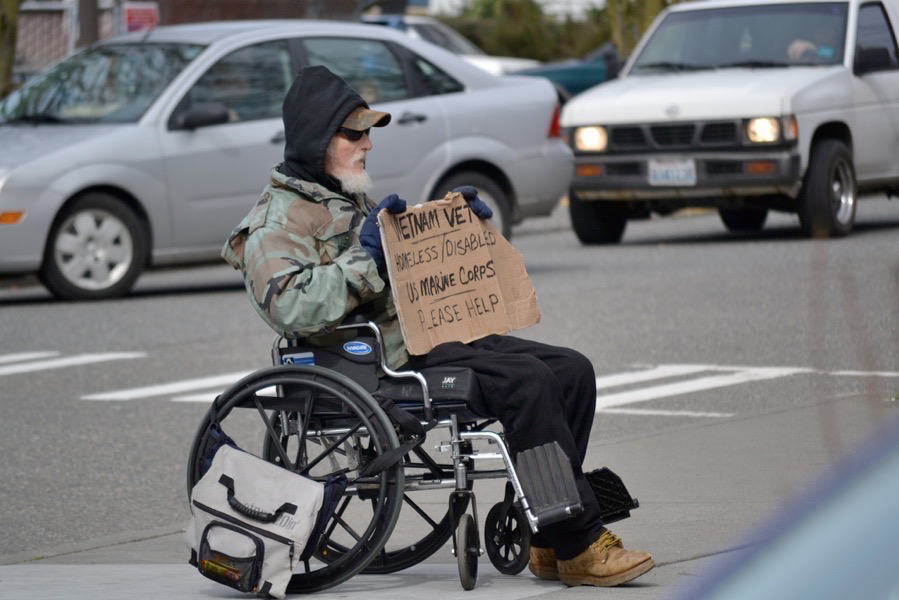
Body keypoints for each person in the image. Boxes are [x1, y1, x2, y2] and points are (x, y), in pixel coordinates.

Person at [221, 65, 654, 588]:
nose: (367, 144)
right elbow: (291, 309)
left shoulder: (337, 196)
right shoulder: (277, 223)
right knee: (528, 383)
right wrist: (369, 260)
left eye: (369, 133)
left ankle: (546, 538)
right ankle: (578, 544)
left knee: (570, 370)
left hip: (417, 337)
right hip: (369, 361)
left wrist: (455, 225)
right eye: (354, 133)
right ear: (318, 141)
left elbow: (398, 263)